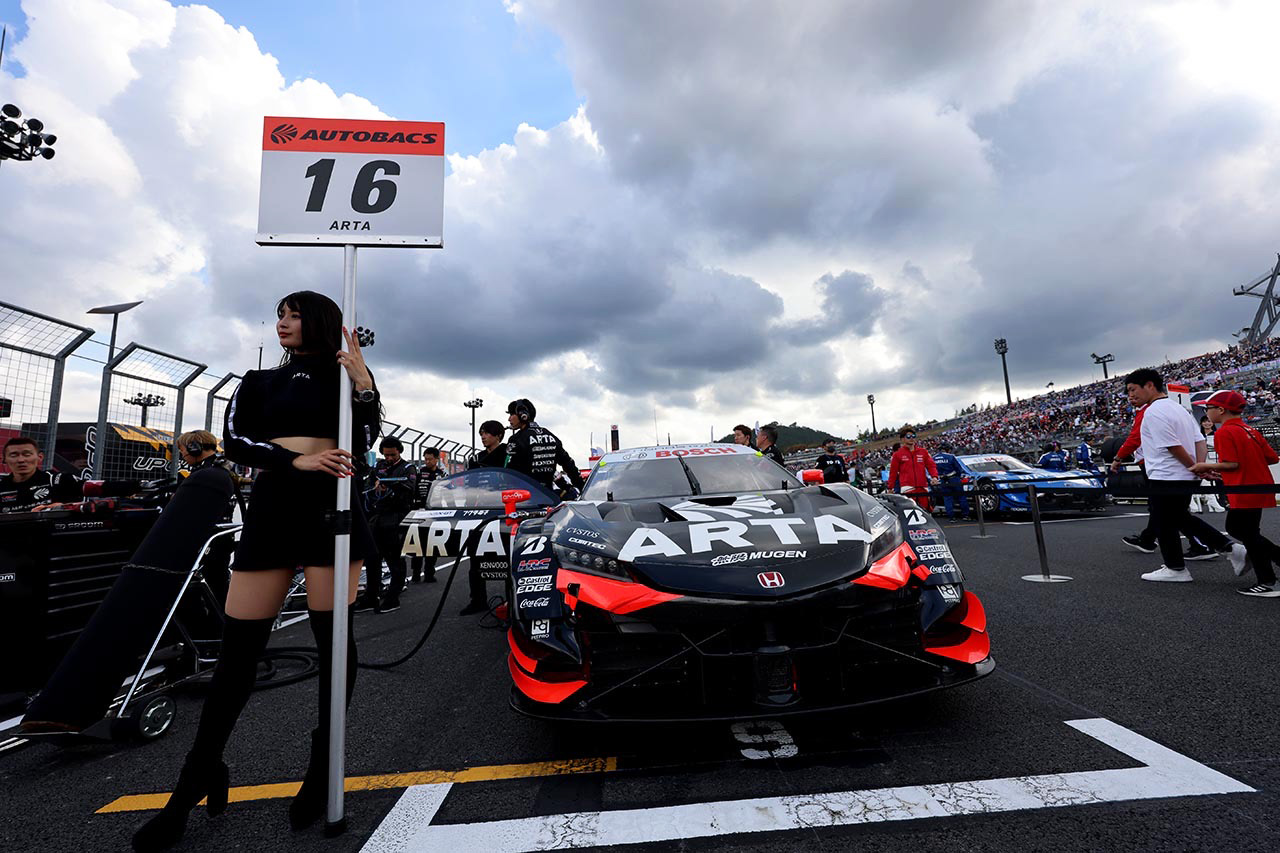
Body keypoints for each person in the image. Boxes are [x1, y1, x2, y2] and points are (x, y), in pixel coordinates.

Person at [132, 290, 380, 851]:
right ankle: (195, 777)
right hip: (273, 507)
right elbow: (237, 441)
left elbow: (364, 445)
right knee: (239, 652)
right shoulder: (258, 380)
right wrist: (295, 459)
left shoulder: (346, 378)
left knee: (333, 642)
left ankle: (323, 766)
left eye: (293, 315)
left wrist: (364, 384)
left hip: (332, 509)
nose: (283, 323)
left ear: (318, 321)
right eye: (279, 315)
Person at [1120, 368, 1243, 583]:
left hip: (1166, 474)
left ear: (1149, 385)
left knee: (1166, 522)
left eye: (1133, 389)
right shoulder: (1180, 410)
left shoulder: (1153, 411)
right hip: (1184, 475)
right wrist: (1199, 466)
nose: (1130, 395)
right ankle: (1227, 550)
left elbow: (1171, 446)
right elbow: (1199, 440)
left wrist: (1194, 466)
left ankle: (1177, 567)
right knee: (1176, 518)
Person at [1191, 389, 1280, 597]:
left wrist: (1202, 465)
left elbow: (1232, 463)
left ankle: (1268, 580)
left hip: (1243, 488)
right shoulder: (1250, 429)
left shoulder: (1224, 431)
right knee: (1248, 532)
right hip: (1259, 485)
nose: (1206, 412)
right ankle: (1270, 573)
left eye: (1208, 408)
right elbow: (1272, 458)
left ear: (1221, 410)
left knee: (1240, 530)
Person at [355, 436, 416, 612]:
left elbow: (409, 489)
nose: (389, 458)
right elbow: (367, 486)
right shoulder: (379, 466)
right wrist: (374, 487)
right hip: (377, 517)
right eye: (386, 455)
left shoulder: (407, 468)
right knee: (372, 559)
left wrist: (390, 487)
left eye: (392, 455)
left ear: (399, 452)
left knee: (395, 559)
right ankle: (371, 596)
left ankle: (392, 597)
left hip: (396, 518)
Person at [502, 399, 584, 492]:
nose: (509, 419)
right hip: (548, 496)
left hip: (525, 498)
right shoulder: (550, 435)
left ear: (523, 415)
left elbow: (508, 473)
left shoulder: (517, 439)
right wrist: (581, 487)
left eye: (512, 414)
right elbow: (569, 465)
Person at [1, 436, 86, 512]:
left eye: (27, 454)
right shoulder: (2, 487)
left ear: (40, 457)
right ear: (4, 459)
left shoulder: (59, 480)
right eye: (14, 455)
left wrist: (58, 508)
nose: (21, 460)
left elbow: (84, 506)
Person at [411, 447, 449, 583]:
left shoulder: (442, 475)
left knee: (433, 545)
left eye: (430, 459)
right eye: (425, 459)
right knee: (417, 545)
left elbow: (448, 494)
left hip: (436, 513)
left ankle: (429, 573)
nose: (427, 461)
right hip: (419, 512)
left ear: (436, 459)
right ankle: (415, 574)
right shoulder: (419, 473)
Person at [888, 427, 939, 510]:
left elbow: (931, 465)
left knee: (926, 512)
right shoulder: (897, 455)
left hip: (923, 488)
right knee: (911, 512)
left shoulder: (923, 452)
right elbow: (893, 473)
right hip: (907, 489)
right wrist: (890, 487)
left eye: (913, 436)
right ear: (902, 439)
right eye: (908, 436)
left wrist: (934, 477)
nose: (911, 438)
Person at [1190, 416, 1225, 514]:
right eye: (1204, 422)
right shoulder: (1198, 435)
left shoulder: (1216, 434)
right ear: (1201, 423)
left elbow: (1219, 446)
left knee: (1218, 480)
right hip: (1202, 459)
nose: (1207, 424)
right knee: (1203, 480)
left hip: (1214, 458)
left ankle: (1219, 501)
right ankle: (1210, 500)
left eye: (1209, 421)